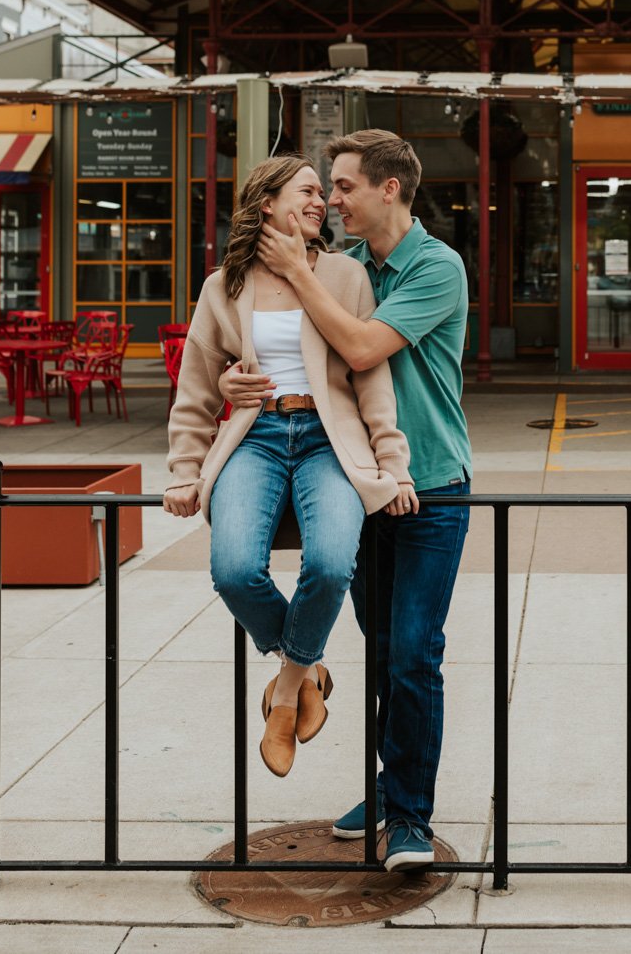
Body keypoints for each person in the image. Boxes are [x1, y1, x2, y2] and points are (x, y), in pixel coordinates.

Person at [220, 130, 471, 873]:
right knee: (385, 649)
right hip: (363, 485)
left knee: (416, 656)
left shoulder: (437, 266)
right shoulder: (345, 265)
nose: (332, 199)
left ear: (388, 189)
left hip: (430, 485)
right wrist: (241, 382)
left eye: (345, 186)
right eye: (326, 187)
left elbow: (361, 350)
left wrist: (300, 275)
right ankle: (390, 786)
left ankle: (411, 820)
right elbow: (286, 349)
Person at [163, 153, 414, 779]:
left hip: (331, 439)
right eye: (305, 191)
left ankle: (285, 688)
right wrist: (183, 469)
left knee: (331, 564)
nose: (321, 202)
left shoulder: (344, 275)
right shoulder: (225, 285)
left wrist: (392, 462)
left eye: (321, 194)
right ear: (267, 202)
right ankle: (307, 667)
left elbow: (370, 374)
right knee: (233, 570)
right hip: (257, 437)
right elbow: (196, 385)